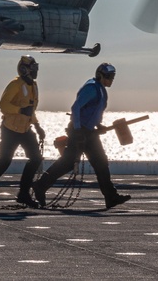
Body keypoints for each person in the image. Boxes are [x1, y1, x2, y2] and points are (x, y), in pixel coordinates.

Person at [32, 63, 131, 210]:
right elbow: (75, 107)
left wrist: (98, 125)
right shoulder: (91, 88)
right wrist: (78, 131)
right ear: (100, 75)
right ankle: (40, 186)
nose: (111, 79)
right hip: (80, 132)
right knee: (68, 163)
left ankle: (111, 197)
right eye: (109, 76)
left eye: (113, 77)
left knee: (101, 163)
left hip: (89, 132)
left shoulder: (101, 89)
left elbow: (92, 112)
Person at [0, 55, 46, 211]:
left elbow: (30, 110)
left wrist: (37, 126)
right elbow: (3, 105)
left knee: (35, 159)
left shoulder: (33, 86)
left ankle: (24, 194)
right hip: (10, 131)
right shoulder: (15, 85)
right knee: (3, 163)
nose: (35, 72)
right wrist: (20, 110)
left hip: (26, 130)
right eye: (33, 68)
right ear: (24, 69)